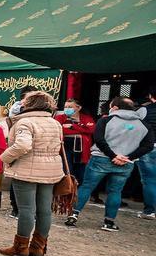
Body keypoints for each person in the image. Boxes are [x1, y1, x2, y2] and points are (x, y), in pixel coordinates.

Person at [67, 97, 154, 232]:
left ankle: (73, 215)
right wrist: (128, 157)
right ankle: (109, 222)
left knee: (87, 187)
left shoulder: (106, 120)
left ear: (115, 107)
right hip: (126, 163)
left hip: (101, 159)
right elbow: (148, 146)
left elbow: (98, 139)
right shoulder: (143, 125)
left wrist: (113, 155)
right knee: (115, 191)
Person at [0, 91, 65, 256]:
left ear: (29, 104)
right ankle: (38, 247)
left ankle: (20, 247)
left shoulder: (25, 122)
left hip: (26, 170)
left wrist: (5, 157)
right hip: (51, 170)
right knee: (44, 210)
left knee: (27, 209)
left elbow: (22, 145)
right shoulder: (54, 123)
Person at [6, 84, 38, 218]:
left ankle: (28, 210)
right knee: (17, 178)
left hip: (33, 150)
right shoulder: (18, 109)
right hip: (19, 148)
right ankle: (16, 207)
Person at [54, 98, 95, 186]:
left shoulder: (86, 118)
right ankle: (67, 194)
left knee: (81, 174)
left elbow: (91, 130)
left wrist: (72, 126)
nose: (67, 109)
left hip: (82, 150)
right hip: (65, 148)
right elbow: (59, 130)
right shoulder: (60, 117)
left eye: (70, 107)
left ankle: (77, 195)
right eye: (65, 107)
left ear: (78, 108)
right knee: (67, 171)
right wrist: (81, 129)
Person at [139, 87, 156, 220]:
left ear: (151, 96)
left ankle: (150, 210)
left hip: (150, 147)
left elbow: (135, 126)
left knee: (149, 180)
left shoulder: (145, 110)